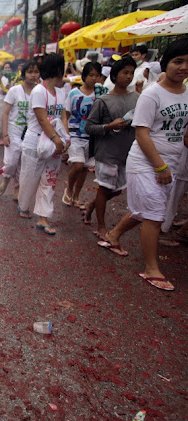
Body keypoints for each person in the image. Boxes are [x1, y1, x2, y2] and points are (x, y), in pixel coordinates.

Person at [98, 38, 188, 291]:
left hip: (172, 161)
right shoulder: (151, 95)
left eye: (187, 63)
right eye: (177, 61)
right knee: (154, 214)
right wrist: (160, 166)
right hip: (148, 162)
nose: (183, 67)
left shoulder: (187, 93)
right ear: (165, 63)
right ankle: (151, 268)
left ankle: (113, 236)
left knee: (146, 210)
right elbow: (142, 133)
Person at [83, 57, 139, 238]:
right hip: (106, 152)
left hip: (127, 152)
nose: (129, 77)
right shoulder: (103, 101)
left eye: (131, 73)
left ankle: (93, 205)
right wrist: (109, 126)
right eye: (125, 73)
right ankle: (101, 226)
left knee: (116, 190)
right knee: (105, 187)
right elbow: (89, 127)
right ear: (114, 75)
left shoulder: (138, 98)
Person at [17, 53, 69, 235]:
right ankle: (23, 205)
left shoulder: (62, 92)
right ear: (58, 70)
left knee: (50, 180)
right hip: (35, 141)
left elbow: (62, 116)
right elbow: (42, 119)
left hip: (54, 143)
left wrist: (65, 138)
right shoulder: (39, 91)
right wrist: (57, 139)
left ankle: (43, 217)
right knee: (29, 179)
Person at [0, 60, 40, 199]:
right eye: (30, 72)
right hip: (14, 131)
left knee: (23, 164)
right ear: (23, 74)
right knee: (11, 162)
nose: (33, 75)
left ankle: (17, 189)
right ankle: (5, 180)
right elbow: (5, 113)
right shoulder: (14, 90)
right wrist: (5, 134)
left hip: (30, 133)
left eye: (35, 72)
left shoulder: (39, 91)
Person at [62, 62, 101, 208]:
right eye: (91, 75)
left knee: (84, 168)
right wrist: (66, 134)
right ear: (84, 75)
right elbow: (65, 115)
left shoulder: (100, 95)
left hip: (91, 137)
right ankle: (69, 189)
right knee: (78, 165)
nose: (94, 78)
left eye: (97, 75)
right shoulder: (74, 93)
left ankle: (77, 195)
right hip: (75, 135)